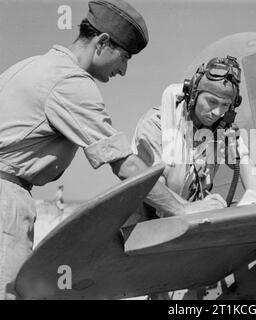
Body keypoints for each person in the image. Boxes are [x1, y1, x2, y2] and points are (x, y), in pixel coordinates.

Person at [0, 0, 224, 300]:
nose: (123, 70)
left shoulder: (31, 66)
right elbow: (125, 165)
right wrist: (183, 209)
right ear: (102, 42)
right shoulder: (70, 83)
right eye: (124, 57)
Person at [132, 56, 256, 218]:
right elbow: (151, 187)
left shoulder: (221, 127)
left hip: (192, 219)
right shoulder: (155, 125)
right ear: (194, 95)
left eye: (225, 105)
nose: (217, 112)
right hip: (147, 224)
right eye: (211, 101)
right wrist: (193, 208)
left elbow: (243, 159)